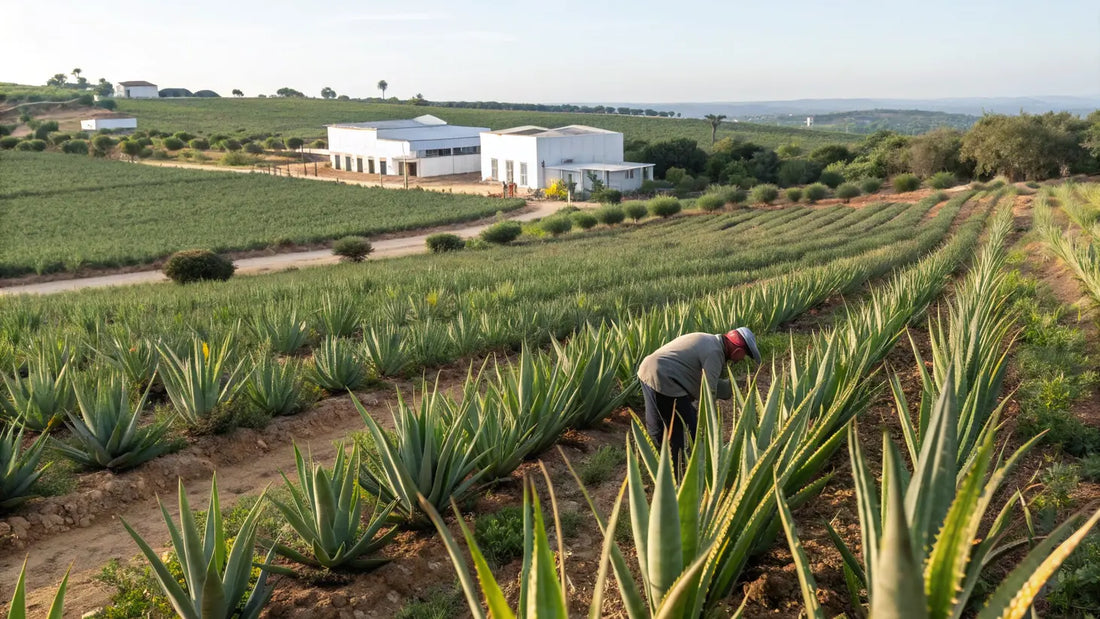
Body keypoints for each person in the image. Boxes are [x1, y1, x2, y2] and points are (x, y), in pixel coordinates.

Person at [637, 327, 761, 464]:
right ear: (738, 350)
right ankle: (678, 467)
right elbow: (708, 392)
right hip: (665, 377)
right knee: (684, 427)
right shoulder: (715, 353)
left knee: (657, 424)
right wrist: (709, 425)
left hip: (647, 368)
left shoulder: (708, 339)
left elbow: (694, 375)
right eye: (745, 355)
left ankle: (656, 461)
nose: (742, 359)